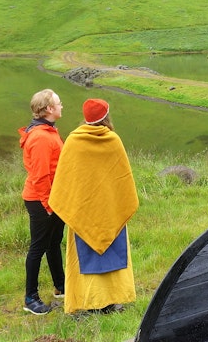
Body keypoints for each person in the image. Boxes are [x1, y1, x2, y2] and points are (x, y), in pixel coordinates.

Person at [49, 98, 140, 315]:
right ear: (107, 117)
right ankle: (113, 299)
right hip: (110, 211)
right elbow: (123, 180)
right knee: (113, 252)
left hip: (83, 213)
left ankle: (87, 301)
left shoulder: (73, 141)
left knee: (84, 257)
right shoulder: (113, 139)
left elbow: (66, 180)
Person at [18, 89, 66, 315]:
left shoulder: (48, 131)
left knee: (54, 242)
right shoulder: (40, 138)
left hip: (52, 199)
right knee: (38, 248)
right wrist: (48, 206)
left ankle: (61, 286)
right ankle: (30, 298)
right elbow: (40, 176)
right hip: (41, 201)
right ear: (48, 109)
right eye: (58, 103)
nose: (61, 105)